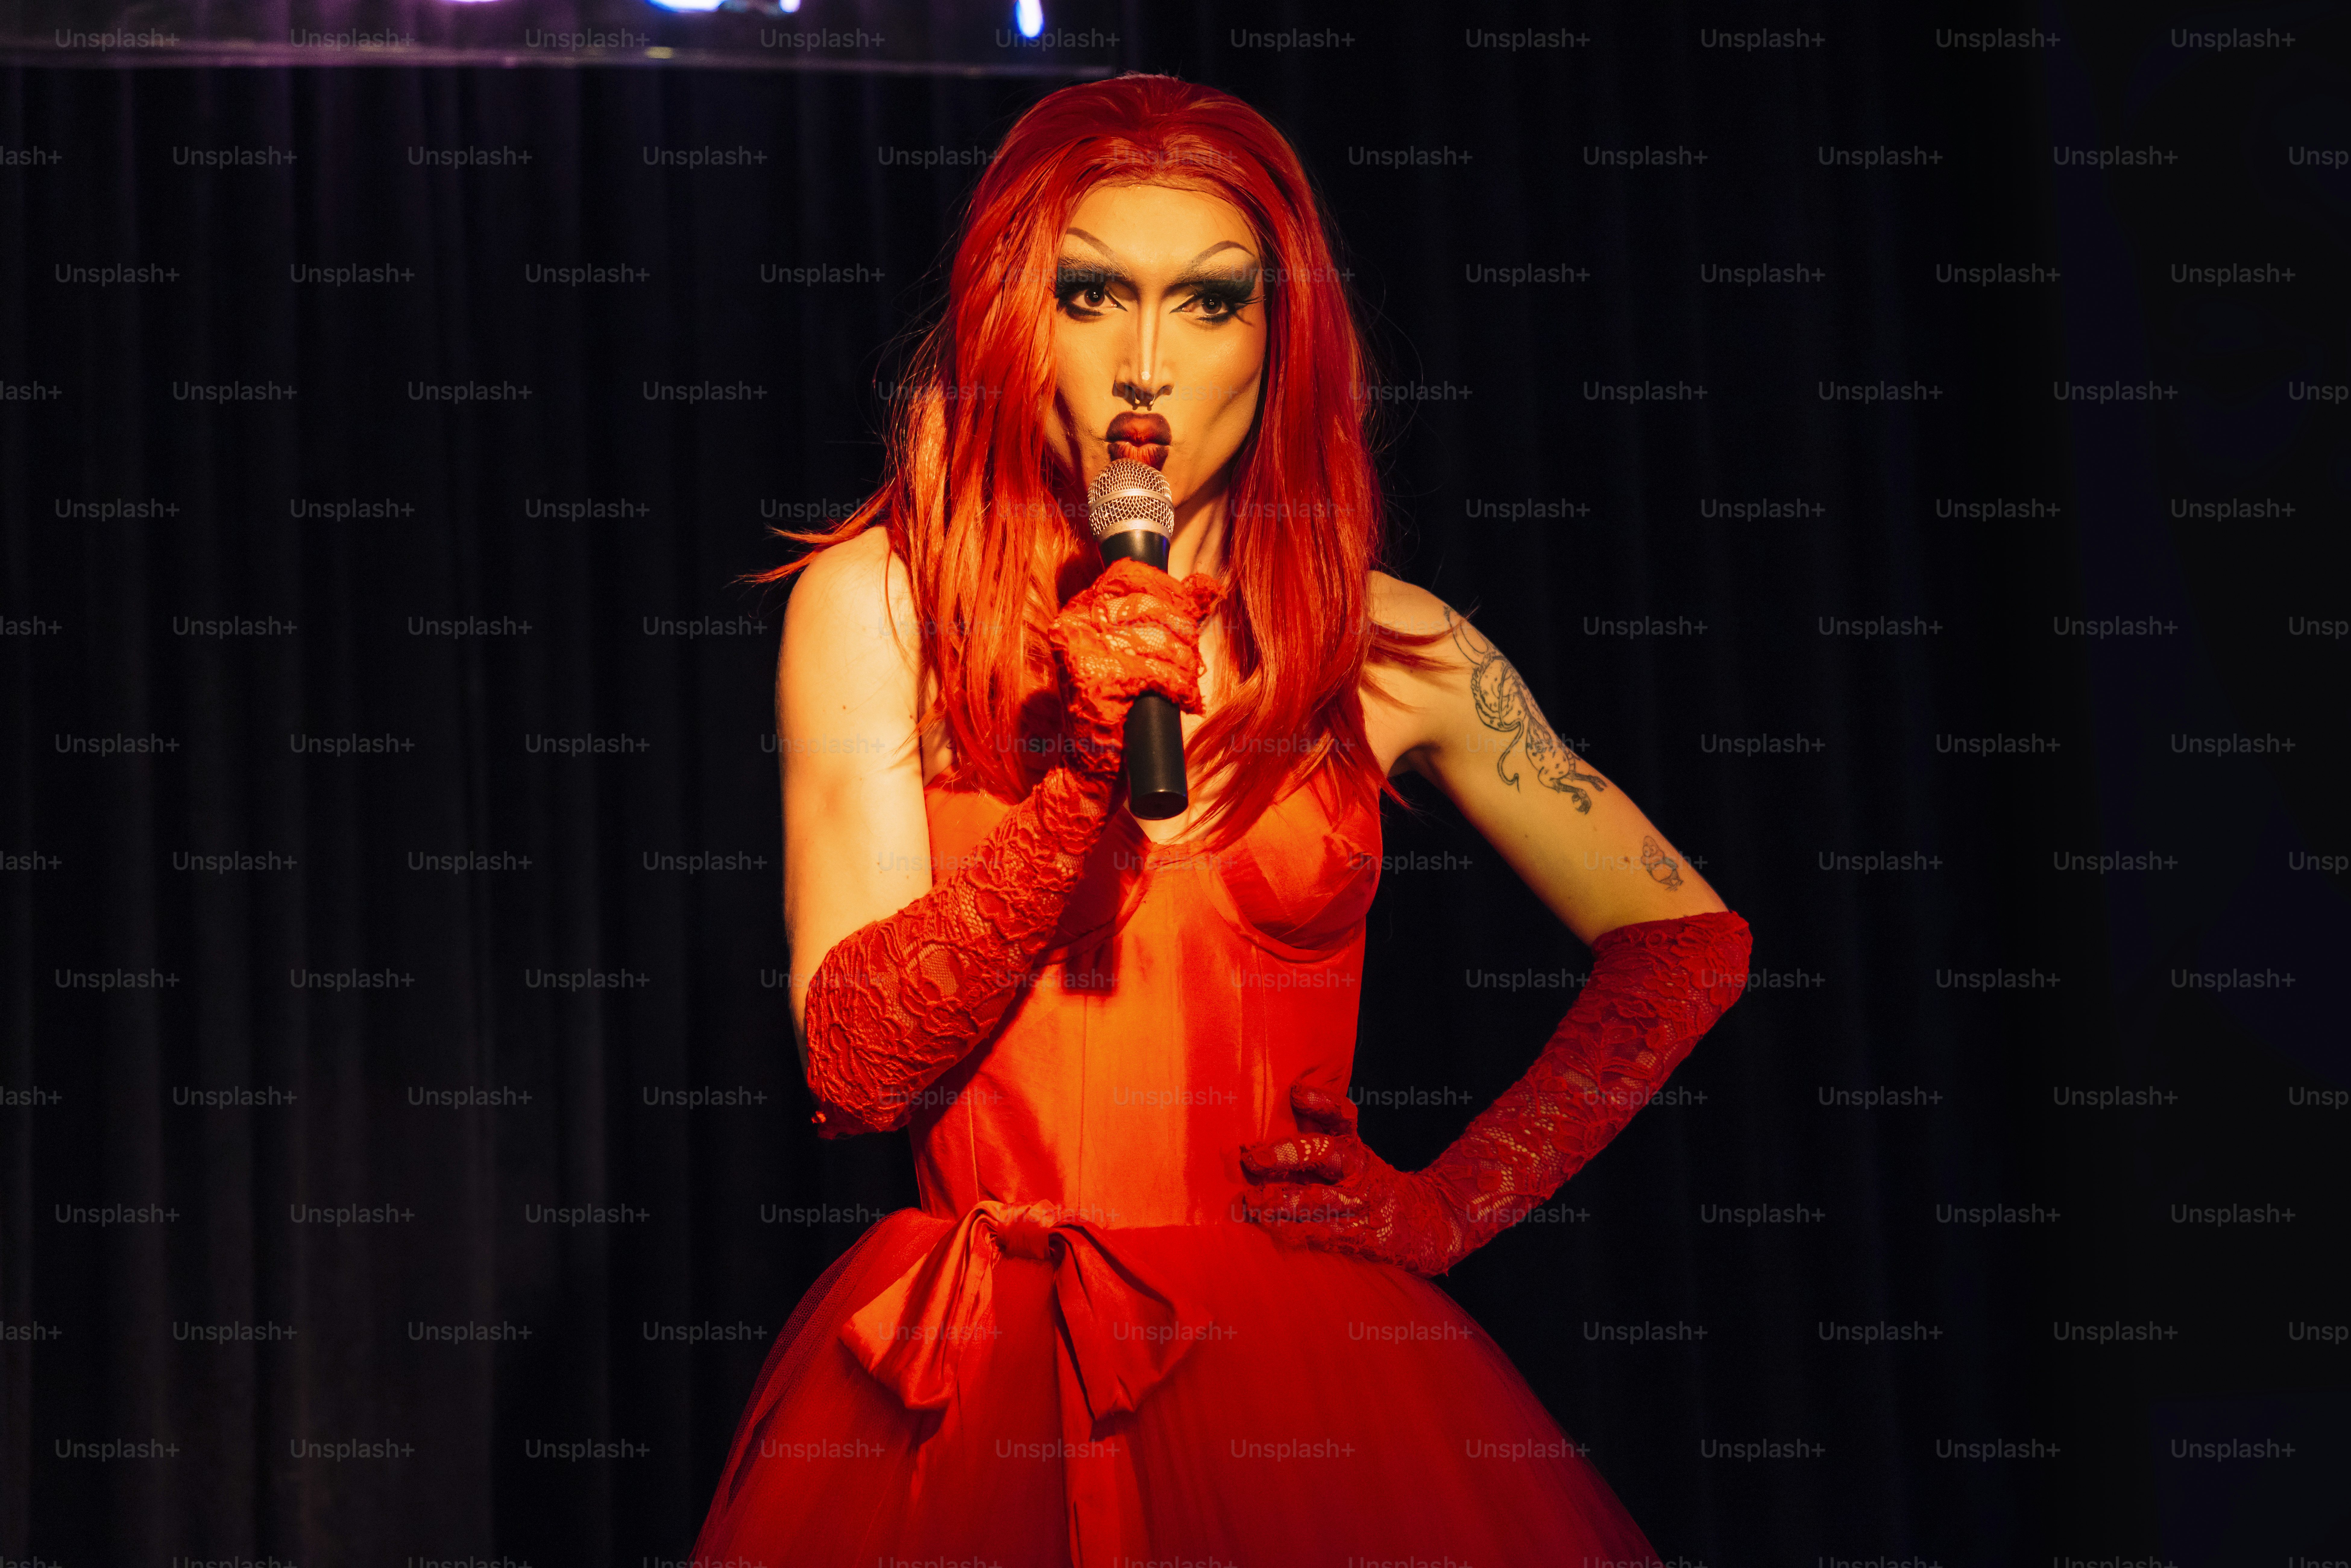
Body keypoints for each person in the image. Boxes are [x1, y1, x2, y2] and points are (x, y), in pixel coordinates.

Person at [693, 73, 1752, 1568]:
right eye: (1090, 294)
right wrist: (1074, 781)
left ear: (1281, 339)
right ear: (1015, 320)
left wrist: (1448, 1205)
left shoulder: (1391, 646)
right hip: (981, 1361)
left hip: (1309, 1368)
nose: (1145, 364)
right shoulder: (881, 609)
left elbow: (1685, 942)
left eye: (1210, 304)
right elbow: (857, 1063)